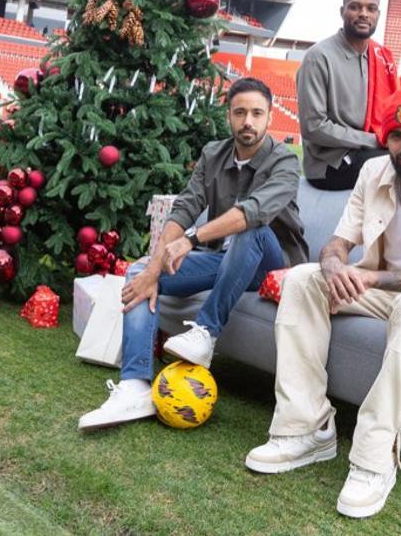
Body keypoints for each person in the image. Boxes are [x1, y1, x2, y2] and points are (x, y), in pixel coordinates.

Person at [245, 72, 401, 519]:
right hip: (385, 289)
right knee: (304, 279)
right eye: (397, 135)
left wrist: (370, 281)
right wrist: (332, 267)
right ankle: (306, 427)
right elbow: (338, 244)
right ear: (386, 138)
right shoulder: (373, 172)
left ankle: (374, 456)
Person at [79, 77, 308, 430]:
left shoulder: (285, 162)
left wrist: (191, 239)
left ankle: (206, 332)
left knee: (252, 229)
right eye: (240, 112)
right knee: (139, 273)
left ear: (269, 117)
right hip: (226, 263)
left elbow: (252, 213)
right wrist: (154, 267)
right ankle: (135, 385)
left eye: (257, 113)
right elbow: (185, 207)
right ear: (228, 115)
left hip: (272, 271)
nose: (248, 121)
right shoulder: (213, 154)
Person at [296, 0, 398, 190]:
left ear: (378, 14)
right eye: (355, 7)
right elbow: (313, 127)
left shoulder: (380, 58)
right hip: (330, 164)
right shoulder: (319, 57)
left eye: (371, 9)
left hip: (367, 152)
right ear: (342, 11)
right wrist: (374, 140)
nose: (363, 14)